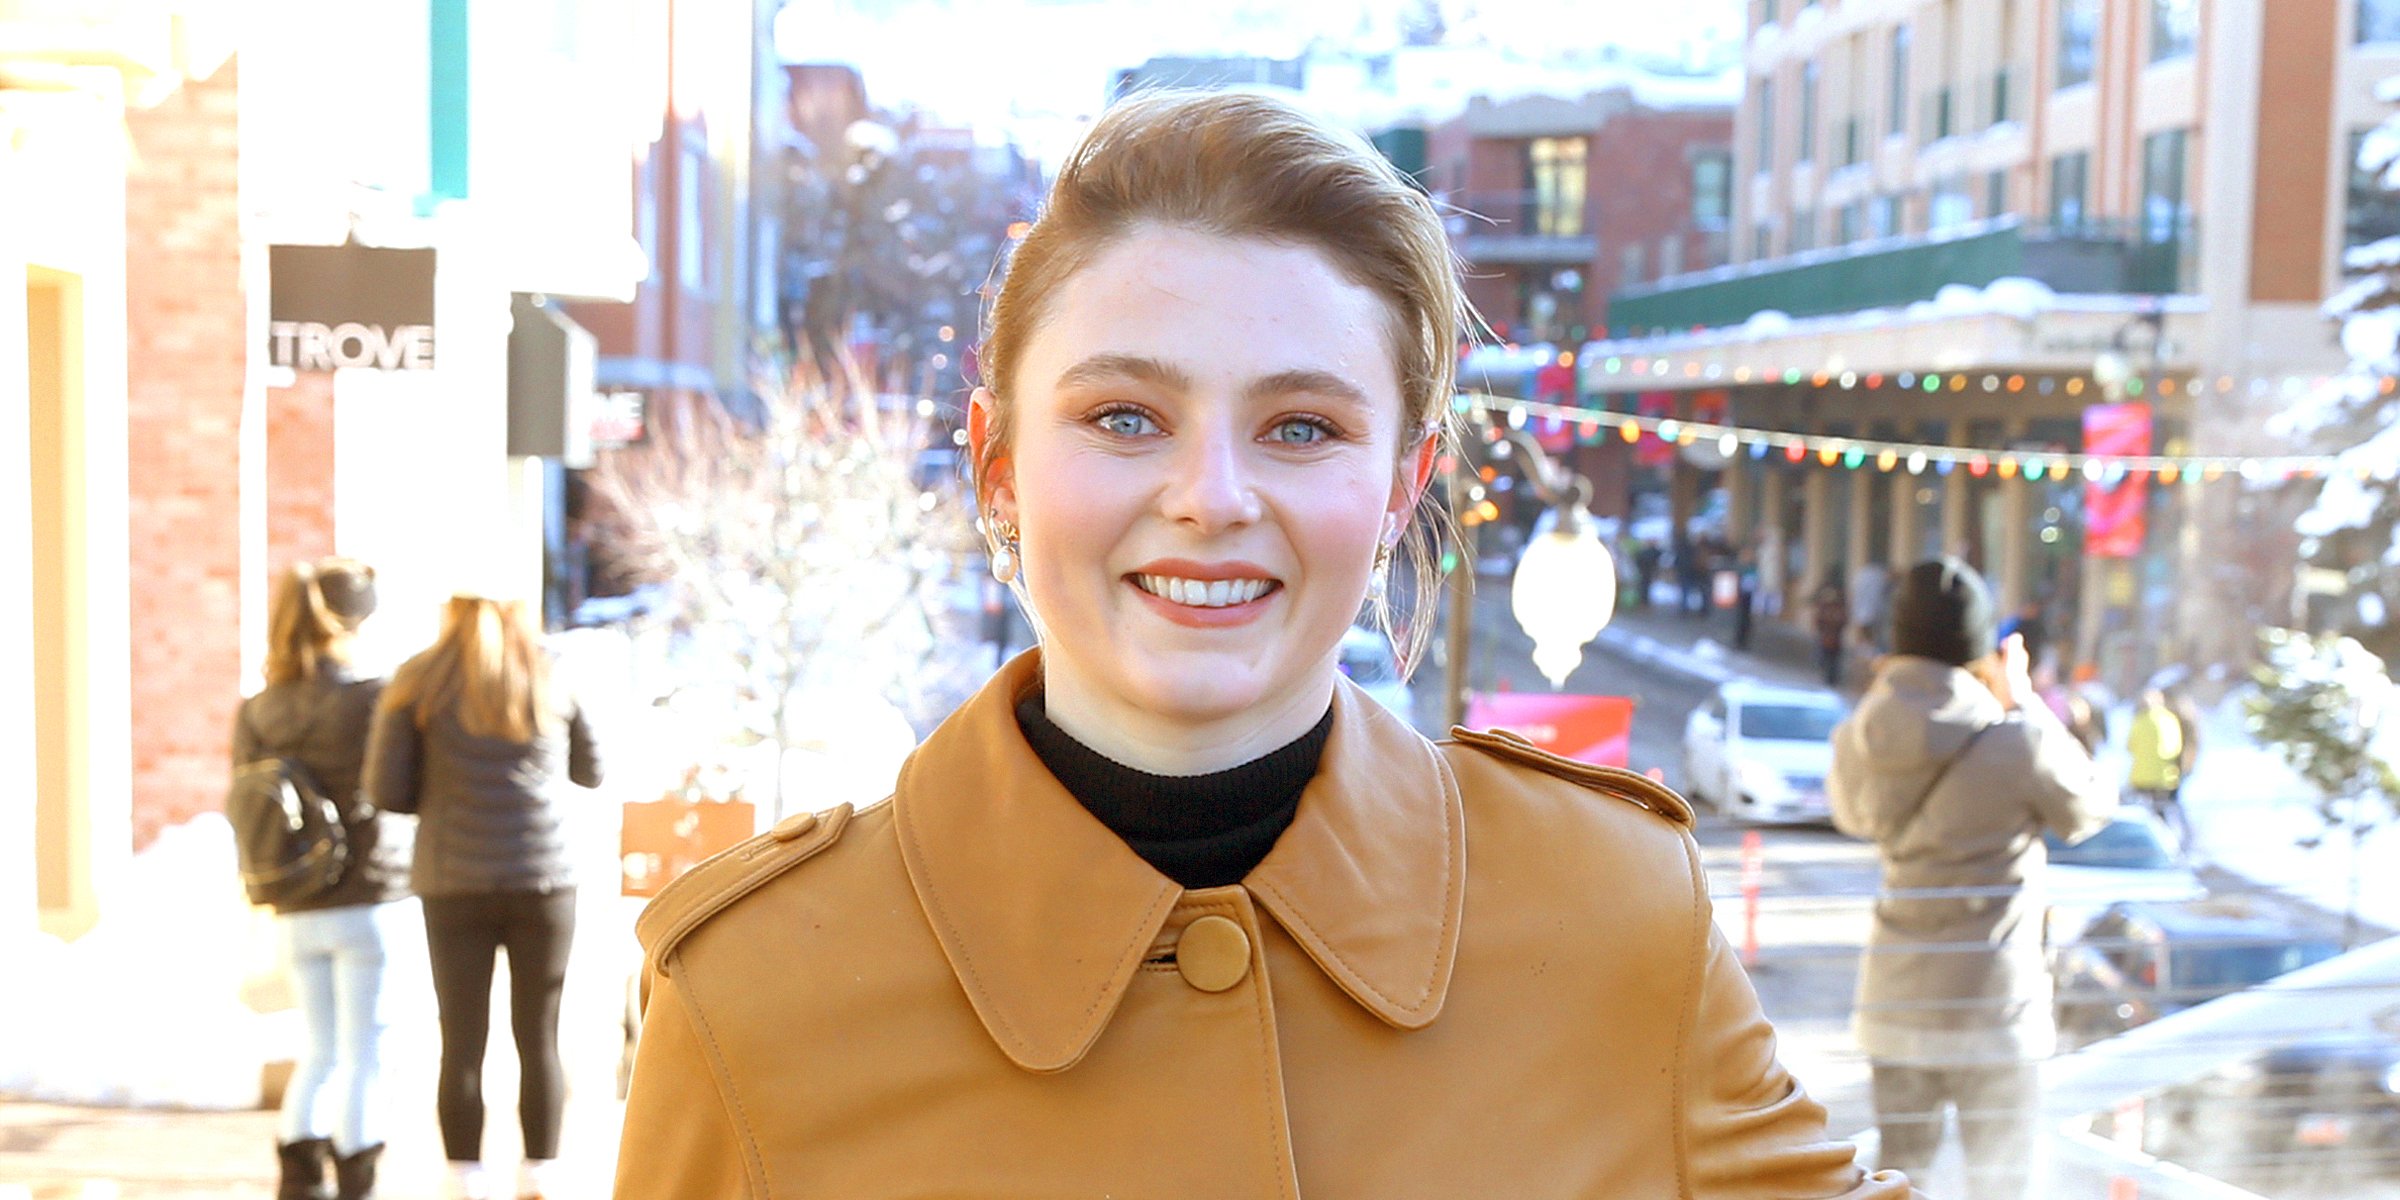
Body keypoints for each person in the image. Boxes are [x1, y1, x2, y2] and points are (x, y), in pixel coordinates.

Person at [612, 90, 1915, 1198]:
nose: (1213, 496)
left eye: (1301, 427)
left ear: (1403, 487)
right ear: (997, 466)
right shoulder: (753, 997)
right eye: (1126, 417)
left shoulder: (1620, 918)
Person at [1829, 558, 2115, 1199]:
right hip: (1995, 1008)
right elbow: (2090, 806)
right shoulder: (2018, 743)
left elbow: (1851, 816)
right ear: (1979, 649)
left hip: (1896, 1001)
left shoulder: (1860, 735)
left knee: (1902, 1179)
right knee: (2001, 1184)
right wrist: (2025, 701)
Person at [366, 594, 603, 1200]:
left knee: (462, 1037)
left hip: (454, 883)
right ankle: (541, 1172)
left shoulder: (419, 680)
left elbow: (385, 789)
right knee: (539, 1032)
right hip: (543, 878)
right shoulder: (552, 674)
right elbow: (591, 770)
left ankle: (466, 1175)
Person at [236, 559, 413, 1200]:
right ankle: (356, 1186)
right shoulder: (374, 697)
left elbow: (248, 804)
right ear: (355, 620)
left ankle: (298, 1183)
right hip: (369, 899)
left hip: (293, 905)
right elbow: (398, 792)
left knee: (320, 1050)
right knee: (365, 1054)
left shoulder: (258, 710)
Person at [2128, 688, 2188, 844]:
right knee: (2163, 812)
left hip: (2141, 776)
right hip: (2164, 775)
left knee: (2144, 812)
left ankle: (2148, 843)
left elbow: (2130, 746)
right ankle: (2172, 843)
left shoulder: (2139, 720)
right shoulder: (2169, 720)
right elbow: (2175, 747)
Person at [1813, 577, 1851, 687]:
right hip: (1827, 636)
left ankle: (1832, 677)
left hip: (1834, 637)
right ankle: (1829, 675)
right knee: (1826, 656)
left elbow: (1843, 621)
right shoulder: (1826, 607)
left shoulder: (1837, 608)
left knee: (1833, 658)